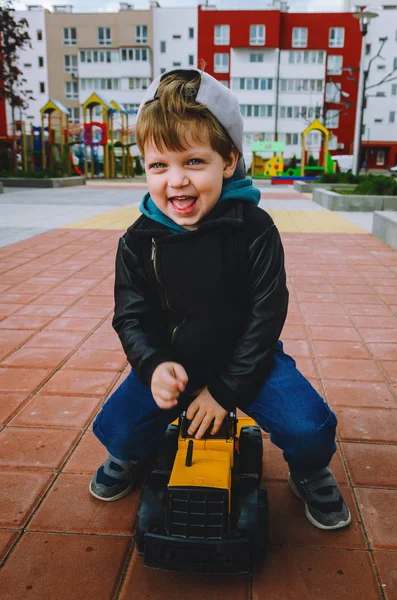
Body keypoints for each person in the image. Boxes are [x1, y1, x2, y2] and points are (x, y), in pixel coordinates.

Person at [90, 68, 351, 531]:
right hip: (176, 362)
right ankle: (139, 452)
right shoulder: (137, 240)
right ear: (145, 167)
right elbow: (130, 316)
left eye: (193, 162)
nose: (177, 181)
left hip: (250, 361)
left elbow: (266, 314)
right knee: (117, 432)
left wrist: (226, 391)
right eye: (159, 165)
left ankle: (309, 470)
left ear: (228, 161)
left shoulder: (254, 229)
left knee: (310, 430)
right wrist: (152, 367)